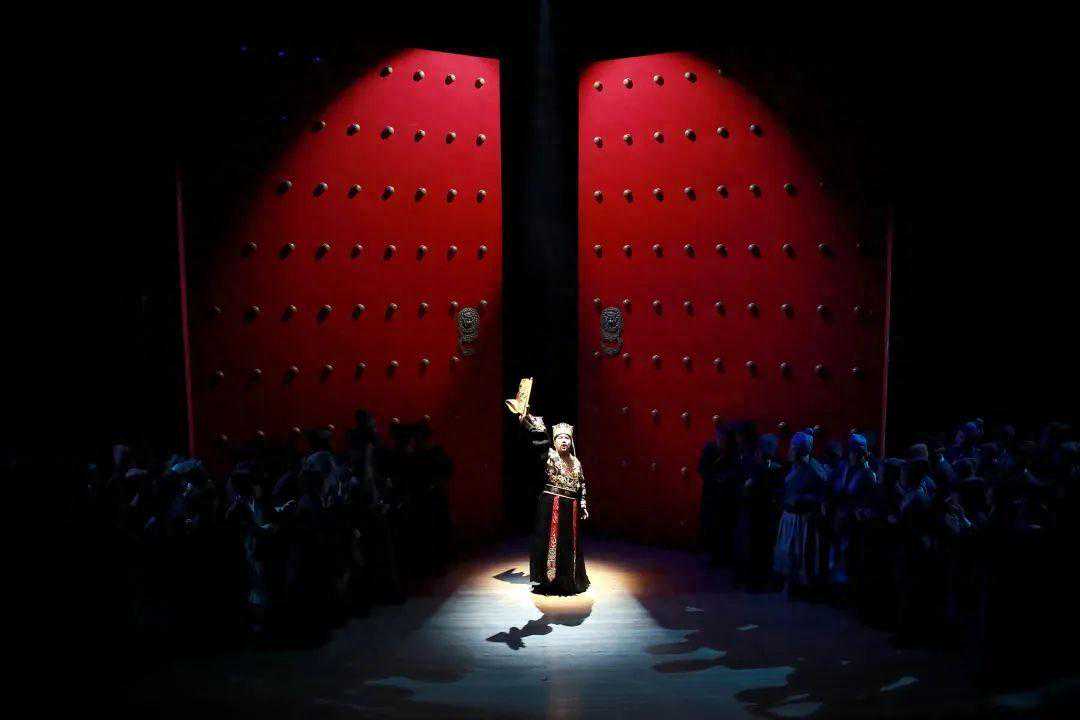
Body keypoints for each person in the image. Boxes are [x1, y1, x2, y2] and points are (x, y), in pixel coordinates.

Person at [517, 411, 590, 595]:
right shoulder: (550, 456)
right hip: (551, 505)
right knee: (550, 542)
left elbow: (581, 484)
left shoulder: (576, 462)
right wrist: (528, 421)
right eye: (560, 438)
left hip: (571, 508)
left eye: (567, 438)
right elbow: (540, 441)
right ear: (555, 442)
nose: (564, 441)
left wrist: (582, 505)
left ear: (571, 441)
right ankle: (549, 581)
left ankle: (567, 580)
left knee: (568, 544)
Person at [773, 431, 829, 597]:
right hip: (789, 518)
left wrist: (803, 499)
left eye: (794, 448)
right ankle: (789, 584)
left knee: (801, 554)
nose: (790, 450)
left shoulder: (815, 470)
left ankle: (802, 587)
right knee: (787, 552)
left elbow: (822, 495)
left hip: (803, 521)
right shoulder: (793, 467)